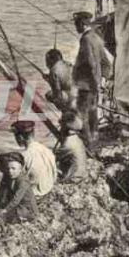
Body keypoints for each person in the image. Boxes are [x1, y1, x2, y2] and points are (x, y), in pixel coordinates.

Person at [0, 152, 37, 245]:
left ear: (20, 169)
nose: (10, 171)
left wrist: (4, 210)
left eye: (13, 168)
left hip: (26, 210)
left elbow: (16, 200)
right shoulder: (8, 176)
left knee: (2, 218)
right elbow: (2, 191)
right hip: (17, 206)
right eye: (8, 168)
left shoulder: (23, 181)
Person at [71, 11, 112, 149]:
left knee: (82, 114)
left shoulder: (86, 39)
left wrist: (94, 83)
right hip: (94, 84)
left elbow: (91, 63)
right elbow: (106, 62)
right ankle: (94, 139)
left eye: (76, 24)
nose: (75, 27)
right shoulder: (96, 37)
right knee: (93, 112)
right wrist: (103, 81)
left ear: (82, 24)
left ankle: (88, 145)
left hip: (87, 85)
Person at [11, 120, 57, 198]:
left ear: (20, 137)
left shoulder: (24, 156)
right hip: (48, 190)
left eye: (15, 136)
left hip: (35, 196)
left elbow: (17, 185)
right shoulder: (46, 150)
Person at [55, 110, 87, 182]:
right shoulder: (77, 139)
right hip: (80, 175)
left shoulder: (68, 144)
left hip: (74, 179)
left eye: (62, 126)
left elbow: (53, 158)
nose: (60, 129)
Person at [43, 48, 76, 112]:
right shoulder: (68, 64)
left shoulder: (53, 71)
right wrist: (50, 79)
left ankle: (66, 113)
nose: (46, 63)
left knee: (49, 95)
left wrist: (50, 81)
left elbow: (57, 93)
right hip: (81, 96)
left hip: (71, 100)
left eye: (47, 60)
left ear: (51, 60)